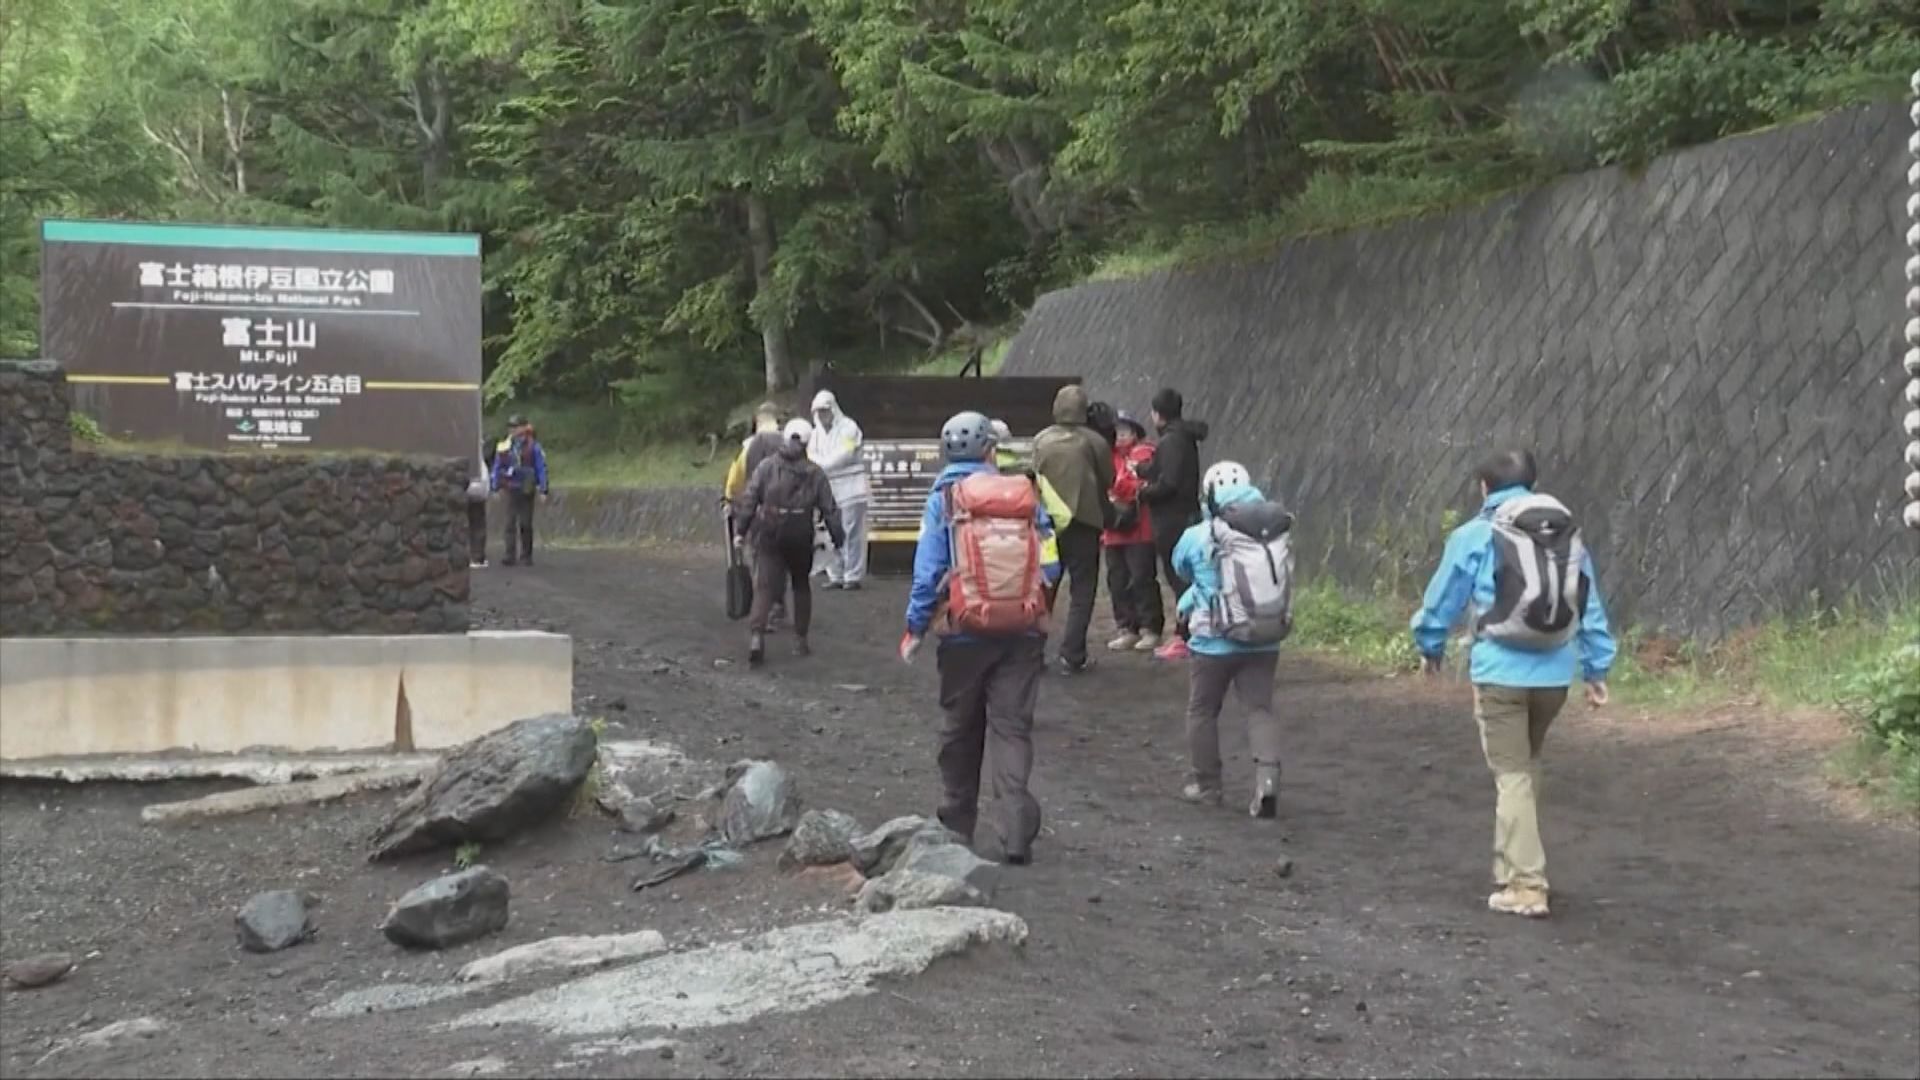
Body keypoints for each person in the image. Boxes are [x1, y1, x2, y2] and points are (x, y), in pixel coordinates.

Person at [1410, 449, 1617, 920]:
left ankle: (1527, 884)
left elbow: (1442, 600)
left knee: (1511, 773)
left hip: (1500, 673)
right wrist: (1597, 669)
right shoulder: (1564, 533)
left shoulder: (1473, 536)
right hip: (1554, 674)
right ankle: (1510, 867)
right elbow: (1590, 604)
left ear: (1485, 487)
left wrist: (1430, 646)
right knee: (1526, 764)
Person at [901, 411, 1061, 864]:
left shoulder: (943, 500)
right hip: (1022, 632)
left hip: (963, 633)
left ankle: (957, 823)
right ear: (991, 451)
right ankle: (1014, 833)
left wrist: (914, 627)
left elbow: (927, 571)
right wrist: (1031, 603)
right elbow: (1050, 563)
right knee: (1011, 729)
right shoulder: (1022, 494)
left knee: (960, 727)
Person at [1171, 461, 1292, 818]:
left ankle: (1207, 785)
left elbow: (1182, 567)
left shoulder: (1201, 534)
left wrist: (1193, 596)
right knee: (1260, 708)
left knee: (1203, 710)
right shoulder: (1273, 529)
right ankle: (1267, 781)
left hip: (1213, 640)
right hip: (1265, 636)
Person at [737, 418, 845, 665]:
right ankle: (800, 640)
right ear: (808, 442)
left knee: (764, 586)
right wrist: (838, 538)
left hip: (770, 530)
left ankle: (756, 636)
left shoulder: (766, 467)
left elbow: (750, 499)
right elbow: (829, 509)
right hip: (800, 533)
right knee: (800, 585)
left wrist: (741, 531)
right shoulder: (815, 473)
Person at [1032, 385, 1114, 674]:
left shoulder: (1041, 440)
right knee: (1082, 590)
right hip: (1083, 522)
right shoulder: (1094, 441)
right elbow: (1109, 477)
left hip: (1047, 525)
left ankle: (1033, 652)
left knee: (1044, 588)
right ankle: (1072, 654)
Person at [1140, 388, 1209, 661]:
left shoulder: (1171, 441)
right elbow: (1169, 471)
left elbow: (1168, 483)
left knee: (1179, 579)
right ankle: (1190, 633)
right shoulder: (1183, 438)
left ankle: (1185, 636)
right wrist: (1145, 470)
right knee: (1187, 578)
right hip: (1187, 516)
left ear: (1158, 414)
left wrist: (1142, 493)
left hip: (1172, 521)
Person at [726, 403, 790, 626]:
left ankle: (764, 608)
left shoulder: (748, 447)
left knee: (761, 559)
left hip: (759, 513)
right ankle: (778, 603)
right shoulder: (790, 443)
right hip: (788, 512)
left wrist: (731, 501)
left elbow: (735, 479)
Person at [1103, 410, 1162, 652]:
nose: (1120, 437)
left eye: (1125, 432)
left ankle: (1150, 628)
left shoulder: (1145, 454)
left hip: (1141, 529)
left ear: (1136, 433)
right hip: (1112, 529)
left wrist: (1119, 487)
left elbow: (1139, 484)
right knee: (1117, 580)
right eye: (1116, 432)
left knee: (1141, 578)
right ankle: (1126, 628)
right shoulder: (1107, 456)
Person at [807, 390, 871, 590]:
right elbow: (809, 454)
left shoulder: (849, 428)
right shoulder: (815, 433)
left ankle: (852, 575)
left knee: (852, 533)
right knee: (829, 532)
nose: (822, 415)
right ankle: (836, 574)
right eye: (818, 412)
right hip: (828, 492)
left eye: (825, 411)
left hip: (852, 489)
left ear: (833, 409)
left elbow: (846, 453)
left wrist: (820, 464)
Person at [490, 414, 548, 566]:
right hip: (511, 487)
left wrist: (543, 488)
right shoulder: (505, 446)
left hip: (526, 488)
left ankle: (526, 555)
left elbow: (541, 467)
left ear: (523, 428)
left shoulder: (533, 446)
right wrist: (495, 486)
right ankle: (509, 554)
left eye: (515, 427)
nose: (512, 430)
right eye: (510, 427)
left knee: (525, 523)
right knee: (509, 523)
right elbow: (497, 466)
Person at [467, 438, 492, 568]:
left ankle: (475, 556)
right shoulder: (479, 462)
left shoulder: (475, 461)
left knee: (474, 526)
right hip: (478, 494)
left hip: (471, 494)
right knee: (478, 526)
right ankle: (477, 556)